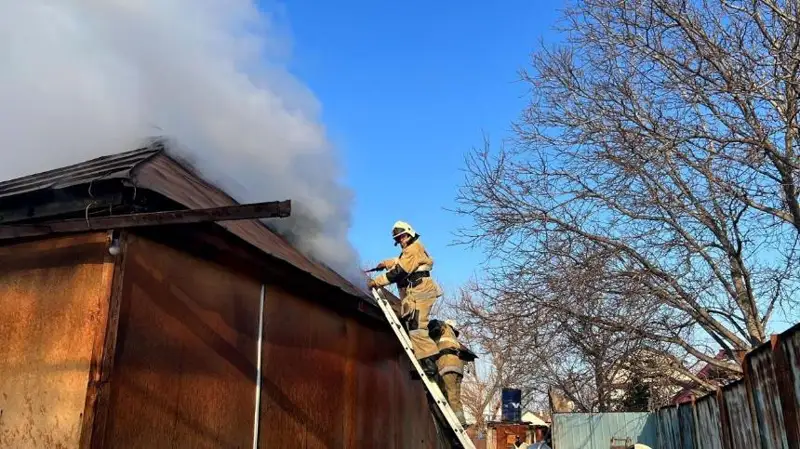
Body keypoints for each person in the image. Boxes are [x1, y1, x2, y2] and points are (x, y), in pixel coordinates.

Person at [367, 221, 443, 377]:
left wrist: (376, 282)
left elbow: (399, 272)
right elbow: (400, 261)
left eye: (402, 236)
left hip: (420, 290)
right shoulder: (412, 249)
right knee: (414, 325)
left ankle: (430, 366)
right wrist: (386, 263)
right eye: (398, 238)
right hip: (418, 289)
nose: (401, 240)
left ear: (410, 233)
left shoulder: (413, 249)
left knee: (417, 326)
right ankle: (426, 362)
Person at [427, 319, 477, 427]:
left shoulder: (443, 327)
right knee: (455, 397)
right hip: (458, 368)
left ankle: (456, 423)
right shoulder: (453, 338)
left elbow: (432, 328)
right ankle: (461, 420)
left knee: (448, 395)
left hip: (447, 365)